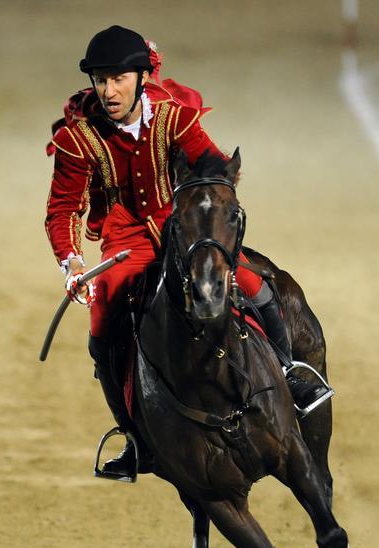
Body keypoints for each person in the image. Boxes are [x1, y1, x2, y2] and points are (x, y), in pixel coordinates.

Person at [44, 26, 329, 481]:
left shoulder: (175, 117)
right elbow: (61, 211)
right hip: (125, 242)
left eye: (118, 79)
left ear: (141, 78)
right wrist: (72, 261)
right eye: (101, 79)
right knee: (103, 319)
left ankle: (290, 371)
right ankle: (135, 436)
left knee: (252, 283)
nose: (108, 90)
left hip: (181, 227)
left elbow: (213, 164)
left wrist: (214, 200)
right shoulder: (78, 139)